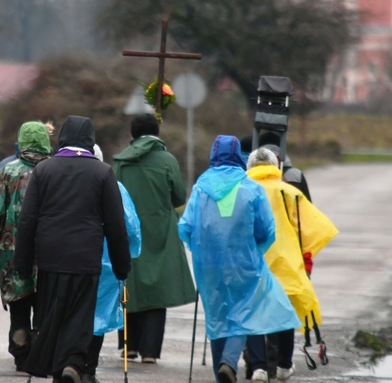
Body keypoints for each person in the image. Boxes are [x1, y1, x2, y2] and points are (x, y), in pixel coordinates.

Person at [14, 115, 131, 383]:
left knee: (52, 315)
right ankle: (73, 364)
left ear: (62, 137)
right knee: (80, 316)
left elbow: (28, 219)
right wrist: (121, 265)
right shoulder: (102, 173)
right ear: (91, 140)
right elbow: (115, 225)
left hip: (50, 257)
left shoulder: (44, 170)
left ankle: (61, 367)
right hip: (85, 257)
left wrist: (22, 263)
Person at [178, 135, 299, 383]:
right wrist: (255, 250)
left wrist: (199, 250)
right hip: (243, 263)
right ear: (237, 156)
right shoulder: (251, 187)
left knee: (216, 317)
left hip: (208, 265)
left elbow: (186, 227)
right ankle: (229, 362)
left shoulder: (201, 188)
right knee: (243, 313)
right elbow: (266, 231)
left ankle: (220, 370)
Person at [244, 147, 338, 381]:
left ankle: (258, 367)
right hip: (286, 262)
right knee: (283, 313)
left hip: (252, 260)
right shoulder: (290, 193)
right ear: (276, 165)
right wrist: (304, 253)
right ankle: (284, 365)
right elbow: (317, 228)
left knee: (253, 313)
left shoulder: (243, 191)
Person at [112, 113, 196, 363]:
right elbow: (179, 197)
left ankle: (128, 347)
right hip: (161, 232)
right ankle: (150, 351)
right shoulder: (167, 160)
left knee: (129, 285)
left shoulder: (120, 162)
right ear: (157, 132)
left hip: (128, 232)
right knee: (158, 289)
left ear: (133, 133)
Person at [0, 121, 52, 372]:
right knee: (44, 303)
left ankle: (21, 350)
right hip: (49, 251)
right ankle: (42, 349)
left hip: (12, 250)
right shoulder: (55, 170)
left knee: (19, 305)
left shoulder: (8, 171)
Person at [83, 144, 142, 383]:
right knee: (98, 316)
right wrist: (130, 255)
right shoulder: (115, 188)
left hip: (70, 260)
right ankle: (88, 368)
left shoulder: (66, 184)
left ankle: (71, 364)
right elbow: (130, 227)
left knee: (74, 311)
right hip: (107, 263)